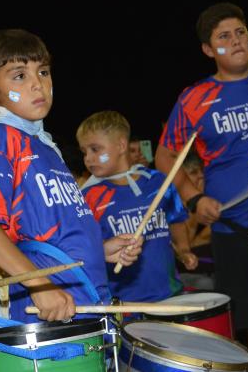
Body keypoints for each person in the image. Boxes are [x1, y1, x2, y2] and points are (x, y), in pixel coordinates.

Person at [0, 29, 142, 323]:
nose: (37, 84)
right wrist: (38, 283)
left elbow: (52, 228)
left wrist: (99, 250)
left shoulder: (43, 144)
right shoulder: (3, 136)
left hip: (86, 300)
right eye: (19, 75)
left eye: (42, 71)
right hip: (50, 313)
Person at [155, 2, 248, 370]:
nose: (237, 41)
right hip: (235, 229)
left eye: (241, 32)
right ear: (209, 50)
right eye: (224, 37)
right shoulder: (194, 98)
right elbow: (166, 156)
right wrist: (194, 198)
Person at [77, 110, 197, 302]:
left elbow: (176, 221)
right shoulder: (88, 196)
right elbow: (85, 245)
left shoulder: (158, 182)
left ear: (121, 145)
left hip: (168, 293)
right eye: (84, 152)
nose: (88, 158)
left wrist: (183, 250)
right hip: (123, 301)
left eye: (95, 149)